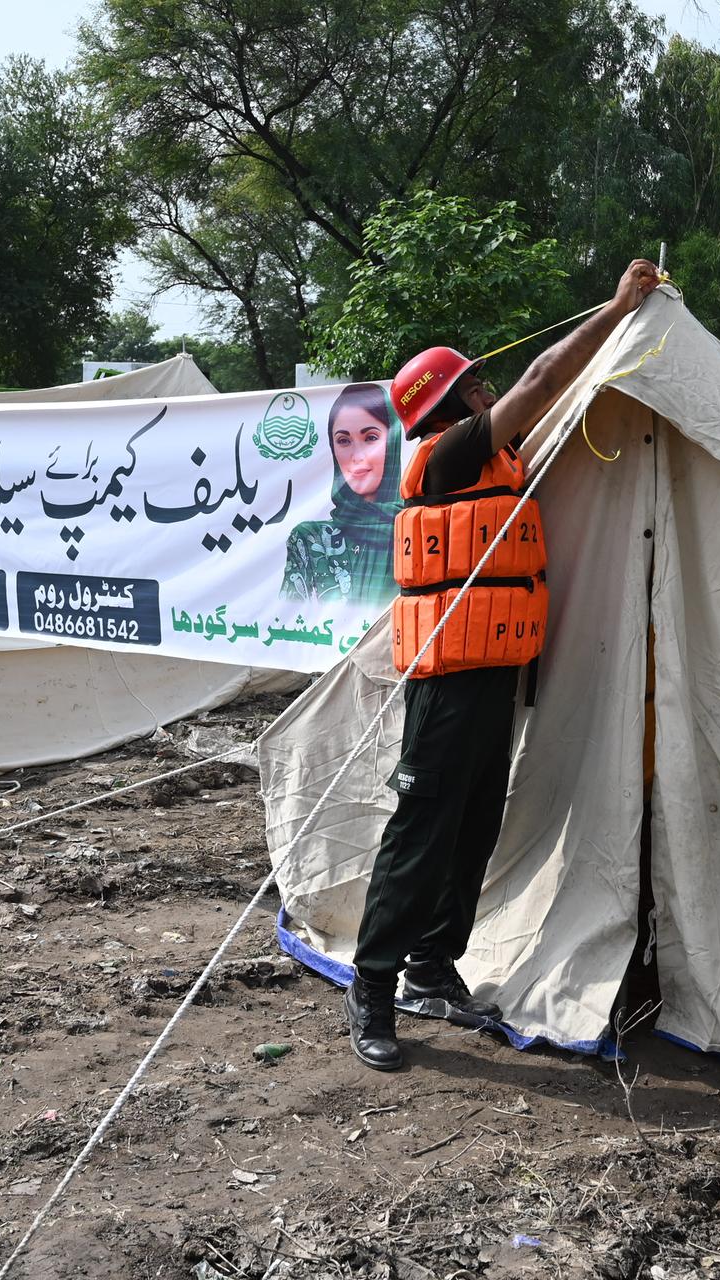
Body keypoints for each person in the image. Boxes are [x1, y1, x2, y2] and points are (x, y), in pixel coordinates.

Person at [345, 259, 663, 1072]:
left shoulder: (497, 457)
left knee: (474, 825)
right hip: (446, 684)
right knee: (421, 832)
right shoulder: (448, 456)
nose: (489, 390)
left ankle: (431, 967)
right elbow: (547, 374)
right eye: (475, 382)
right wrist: (619, 306)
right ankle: (373, 986)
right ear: (452, 404)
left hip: (492, 677)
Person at [280, 382, 403, 608]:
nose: (357, 456)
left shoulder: (415, 531)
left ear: (393, 442)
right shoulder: (310, 540)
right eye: (344, 441)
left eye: (371, 438)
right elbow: (288, 622)